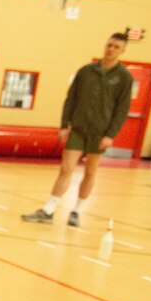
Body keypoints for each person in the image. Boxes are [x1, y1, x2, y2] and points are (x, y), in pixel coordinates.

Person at [22, 32, 133, 227]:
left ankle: (77, 211)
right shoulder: (86, 71)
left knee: (90, 172)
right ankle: (49, 209)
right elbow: (70, 99)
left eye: (116, 47)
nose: (111, 49)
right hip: (79, 129)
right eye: (109, 45)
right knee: (66, 169)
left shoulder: (124, 77)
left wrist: (110, 135)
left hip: (100, 133)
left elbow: (122, 109)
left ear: (122, 50)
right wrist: (65, 125)